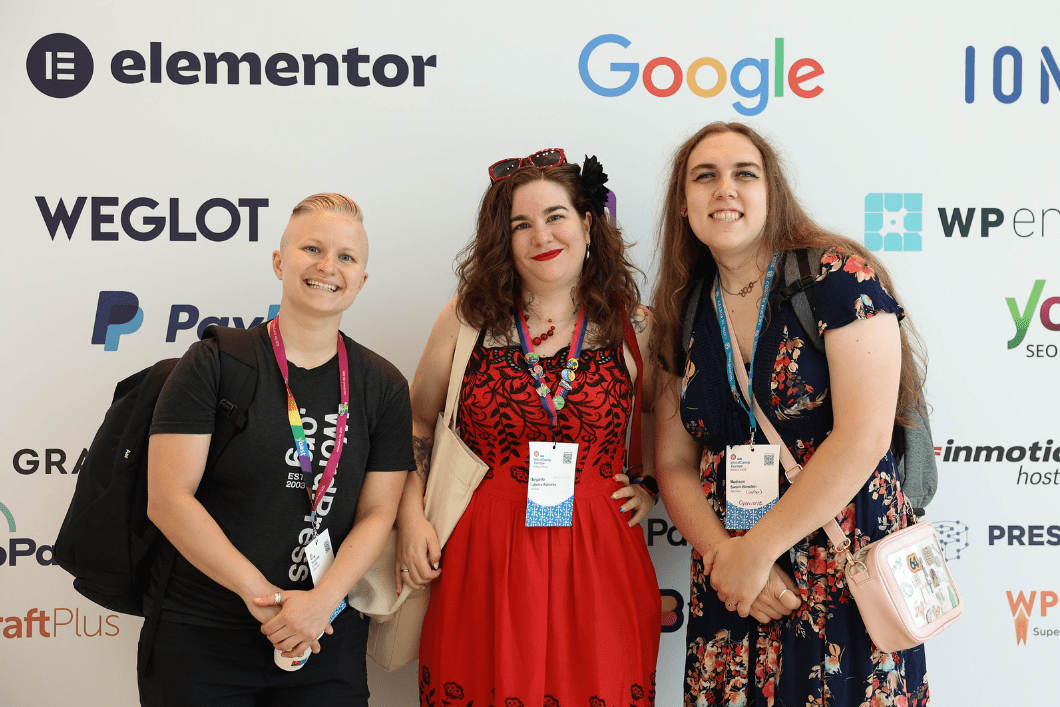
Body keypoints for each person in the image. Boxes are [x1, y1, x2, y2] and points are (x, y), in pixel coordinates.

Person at [651, 123, 931, 706]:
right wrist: (727, 562)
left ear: (771, 191)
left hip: (843, 571)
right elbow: (674, 461)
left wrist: (755, 552)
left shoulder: (836, 278)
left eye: (743, 174)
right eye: (705, 177)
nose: (724, 189)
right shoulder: (683, 308)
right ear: (684, 204)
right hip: (732, 585)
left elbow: (865, 437)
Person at [397, 150, 661, 705]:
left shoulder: (635, 324)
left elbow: (679, 418)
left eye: (555, 215)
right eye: (521, 224)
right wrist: (410, 513)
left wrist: (653, 484)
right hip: (482, 545)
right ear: (504, 239)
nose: (541, 234)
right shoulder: (465, 319)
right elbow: (419, 418)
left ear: (588, 223)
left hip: (599, 545)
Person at [141, 193, 415, 706]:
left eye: (346, 257)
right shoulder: (215, 363)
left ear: (361, 279)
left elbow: (379, 513)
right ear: (279, 261)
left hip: (324, 637)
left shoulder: (383, 385)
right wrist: (261, 596)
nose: (327, 267)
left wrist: (321, 603)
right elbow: (169, 499)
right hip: (203, 634)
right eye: (312, 248)